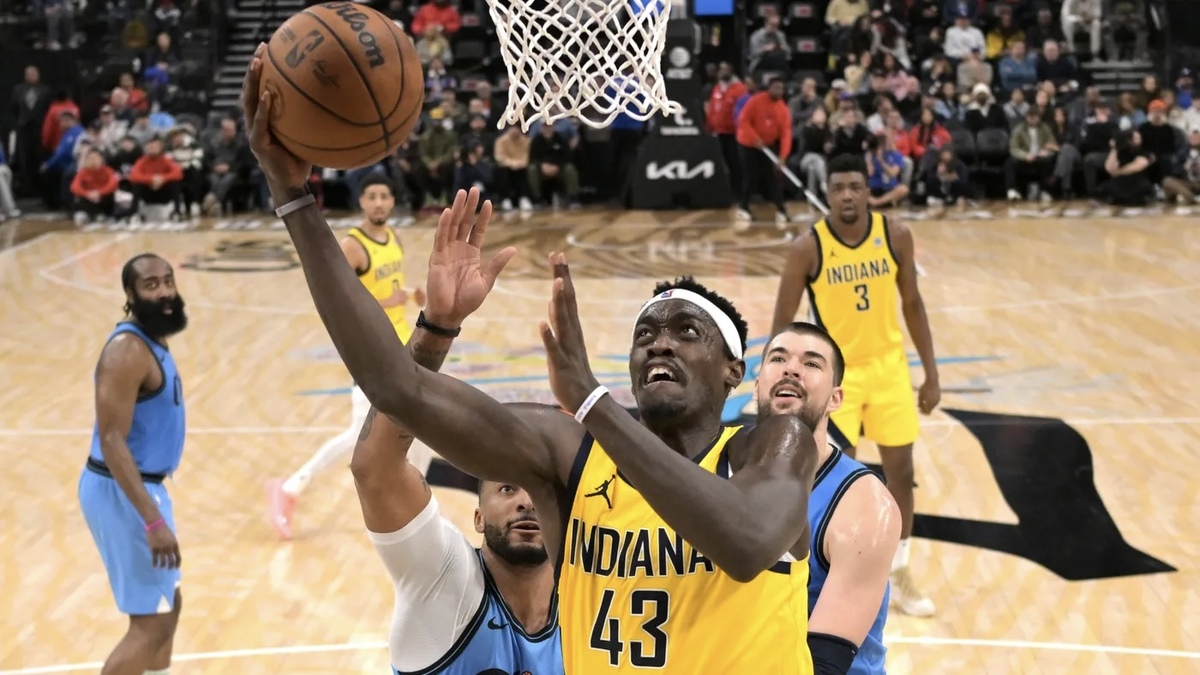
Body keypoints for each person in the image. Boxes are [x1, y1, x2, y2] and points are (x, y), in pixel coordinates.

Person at [242, 42, 820, 673]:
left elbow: (744, 544)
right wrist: (295, 198)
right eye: (645, 333)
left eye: (688, 331)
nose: (659, 341)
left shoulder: (771, 446)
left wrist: (594, 404)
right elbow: (395, 387)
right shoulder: (566, 456)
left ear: (735, 369)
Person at [353, 201, 561, 674]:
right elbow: (375, 469)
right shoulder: (445, 578)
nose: (527, 501)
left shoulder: (593, 601)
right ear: (478, 517)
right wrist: (437, 327)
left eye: (539, 490)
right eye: (507, 488)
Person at [770, 153, 941, 618]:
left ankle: (899, 571)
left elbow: (914, 303)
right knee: (822, 478)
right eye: (838, 187)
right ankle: (816, 575)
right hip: (836, 375)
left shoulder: (895, 236)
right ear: (827, 193)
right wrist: (778, 382)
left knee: (900, 473)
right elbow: (784, 326)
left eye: (855, 187)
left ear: (868, 191)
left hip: (888, 368)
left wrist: (931, 372)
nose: (847, 195)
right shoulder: (808, 247)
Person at [267, 173, 426, 540]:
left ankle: (415, 500)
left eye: (384, 196)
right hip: (369, 349)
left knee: (419, 425)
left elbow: (383, 286)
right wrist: (388, 301)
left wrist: (408, 294)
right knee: (360, 436)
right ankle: (290, 489)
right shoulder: (353, 245)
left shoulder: (393, 238)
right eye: (372, 197)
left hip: (401, 344)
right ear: (362, 203)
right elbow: (338, 295)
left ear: (392, 202)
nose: (379, 203)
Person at [753, 322, 901, 674]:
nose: (792, 368)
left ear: (836, 398)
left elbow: (824, 665)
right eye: (778, 358)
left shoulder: (864, 505)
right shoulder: (721, 468)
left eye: (812, 363)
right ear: (757, 385)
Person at [78, 253, 188, 675]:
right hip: (122, 491)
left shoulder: (154, 339)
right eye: (150, 285)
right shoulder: (127, 350)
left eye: (168, 281)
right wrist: (152, 521)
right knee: (151, 624)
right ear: (130, 294)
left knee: (168, 606)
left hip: (143, 488)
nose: (163, 292)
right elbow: (111, 439)